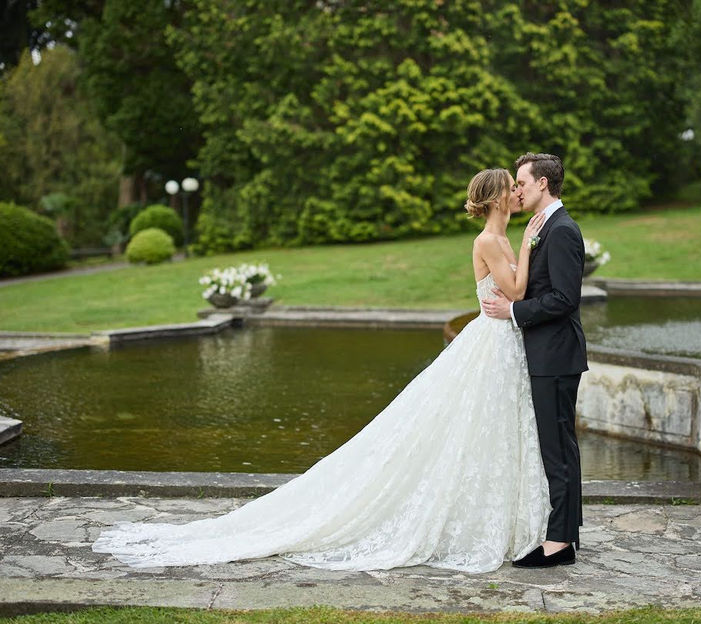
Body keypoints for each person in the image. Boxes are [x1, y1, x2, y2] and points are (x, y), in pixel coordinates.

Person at [93, 168, 549, 572]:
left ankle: (498, 519)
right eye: (511, 188)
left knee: (492, 430)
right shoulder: (490, 241)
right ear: (494, 198)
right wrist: (530, 246)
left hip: (501, 344)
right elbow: (515, 288)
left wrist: (522, 248)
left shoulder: (504, 239)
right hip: (489, 345)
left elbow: (516, 297)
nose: (517, 193)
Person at [481, 152, 588, 568]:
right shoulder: (541, 227)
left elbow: (564, 299)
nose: (516, 190)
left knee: (558, 449)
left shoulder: (561, 230)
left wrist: (511, 312)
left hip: (556, 355)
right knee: (556, 447)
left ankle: (559, 544)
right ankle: (563, 535)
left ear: (543, 183)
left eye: (522, 182)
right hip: (545, 354)